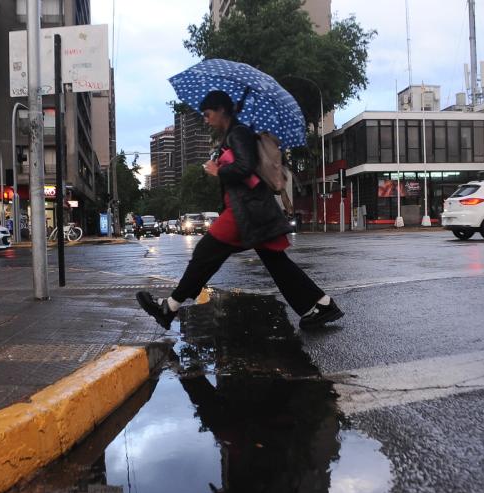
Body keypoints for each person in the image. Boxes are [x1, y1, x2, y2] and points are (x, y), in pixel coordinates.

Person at [136, 90, 343, 331]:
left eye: (207, 113)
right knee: (276, 263)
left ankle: (169, 307)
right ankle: (323, 304)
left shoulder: (239, 133)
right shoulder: (235, 133)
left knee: (205, 254)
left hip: (245, 211)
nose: (206, 119)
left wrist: (218, 171)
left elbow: (244, 168)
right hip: (250, 209)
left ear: (221, 110)